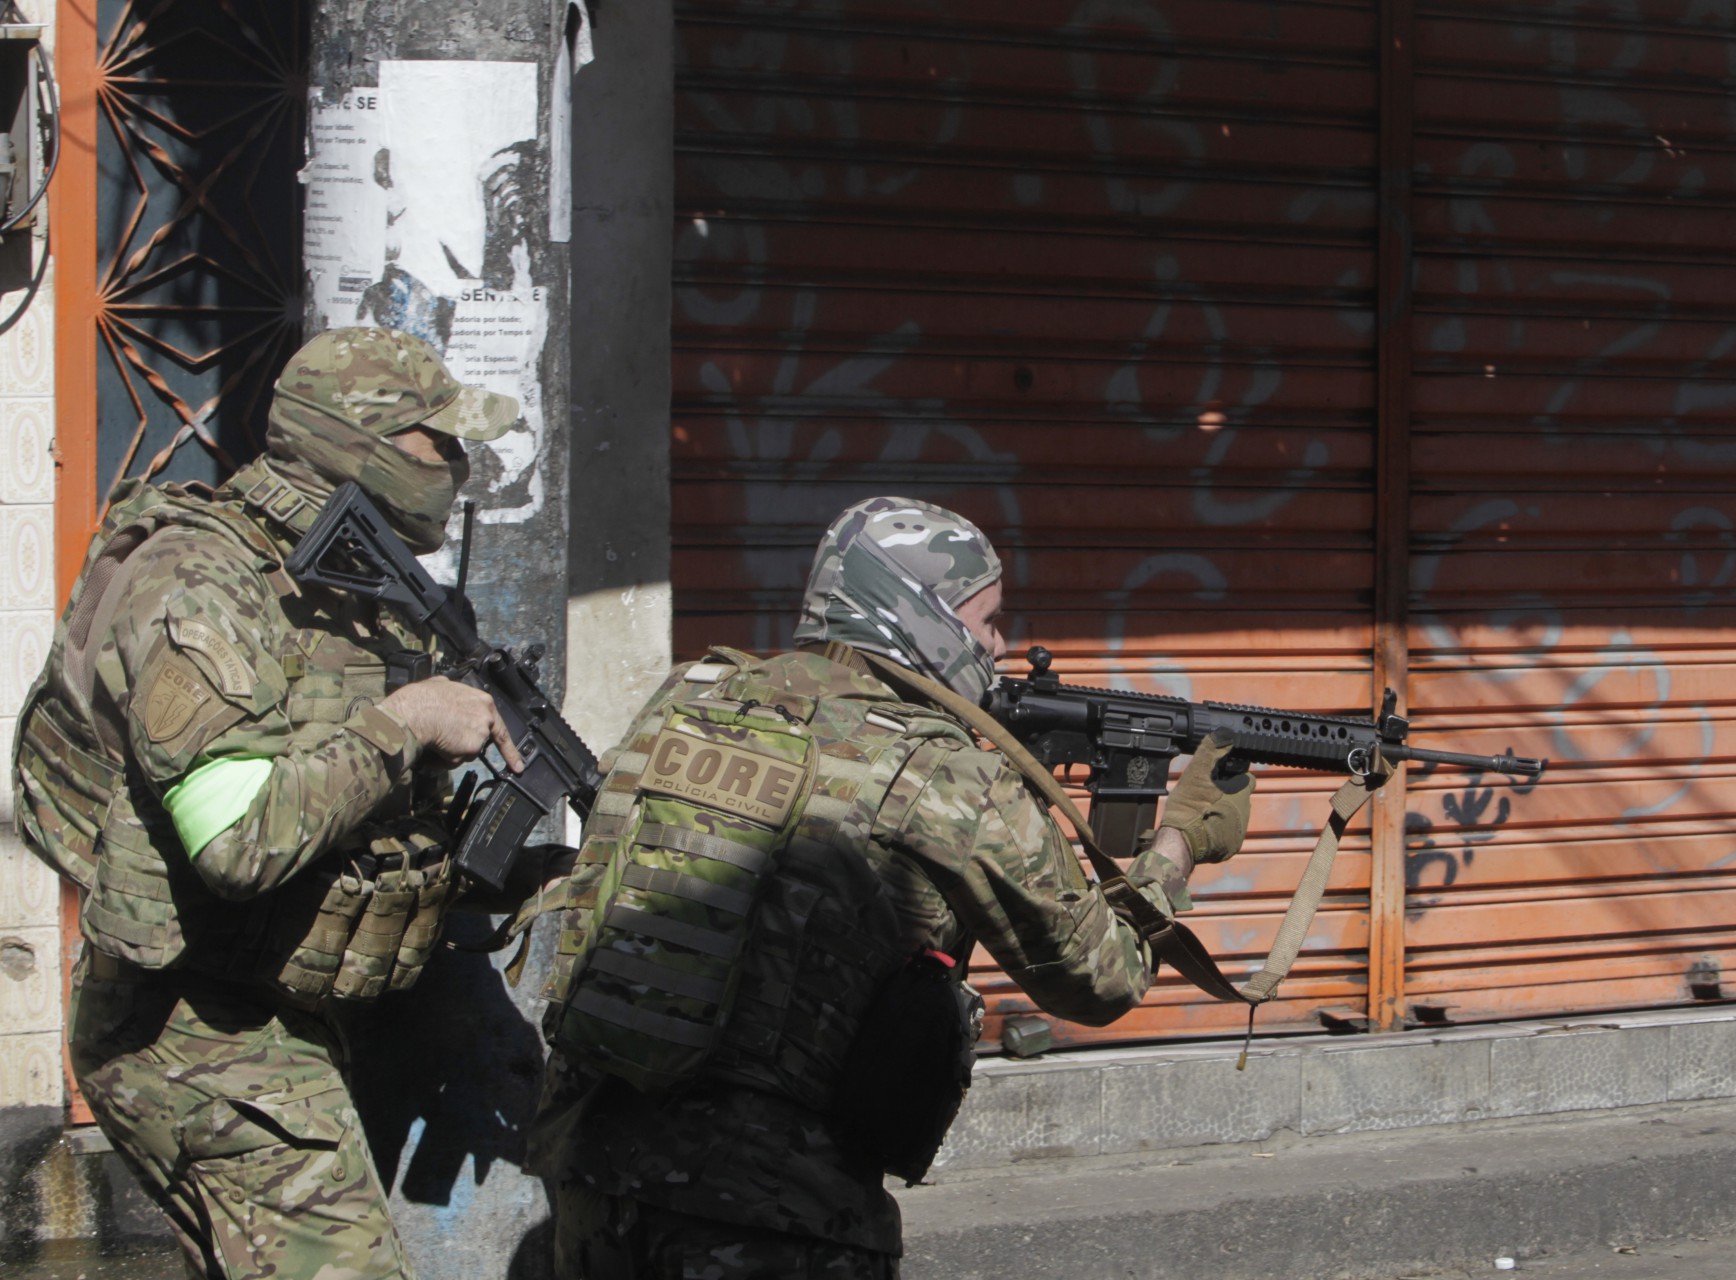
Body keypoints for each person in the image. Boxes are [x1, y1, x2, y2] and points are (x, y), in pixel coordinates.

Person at [529, 495, 1255, 1279]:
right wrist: (1179, 843)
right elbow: (1098, 980)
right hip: (775, 1211)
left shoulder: (689, 698)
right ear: (919, 614)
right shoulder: (948, 775)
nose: (1002, 645)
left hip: (594, 1174)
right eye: (988, 620)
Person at [11, 327, 525, 1280]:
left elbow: (360, 813)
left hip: (292, 1004)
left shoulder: (352, 583)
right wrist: (406, 721)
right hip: (192, 1028)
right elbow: (238, 839)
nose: (456, 466)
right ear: (354, 447)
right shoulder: (198, 582)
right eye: (436, 443)